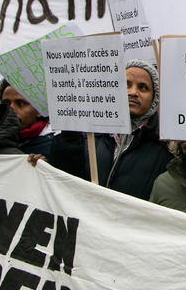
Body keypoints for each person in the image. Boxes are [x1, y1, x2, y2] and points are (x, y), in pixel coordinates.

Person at [49, 59, 171, 199]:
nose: (133, 92)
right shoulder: (90, 135)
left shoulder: (166, 146)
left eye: (143, 87)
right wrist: (41, 165)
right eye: (126, 84)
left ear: (154, 97)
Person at [0, 80, 54, 157]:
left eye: (20, 103)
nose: (10, 109)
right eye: (6, 104)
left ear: (39, 110)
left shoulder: (55, 146)